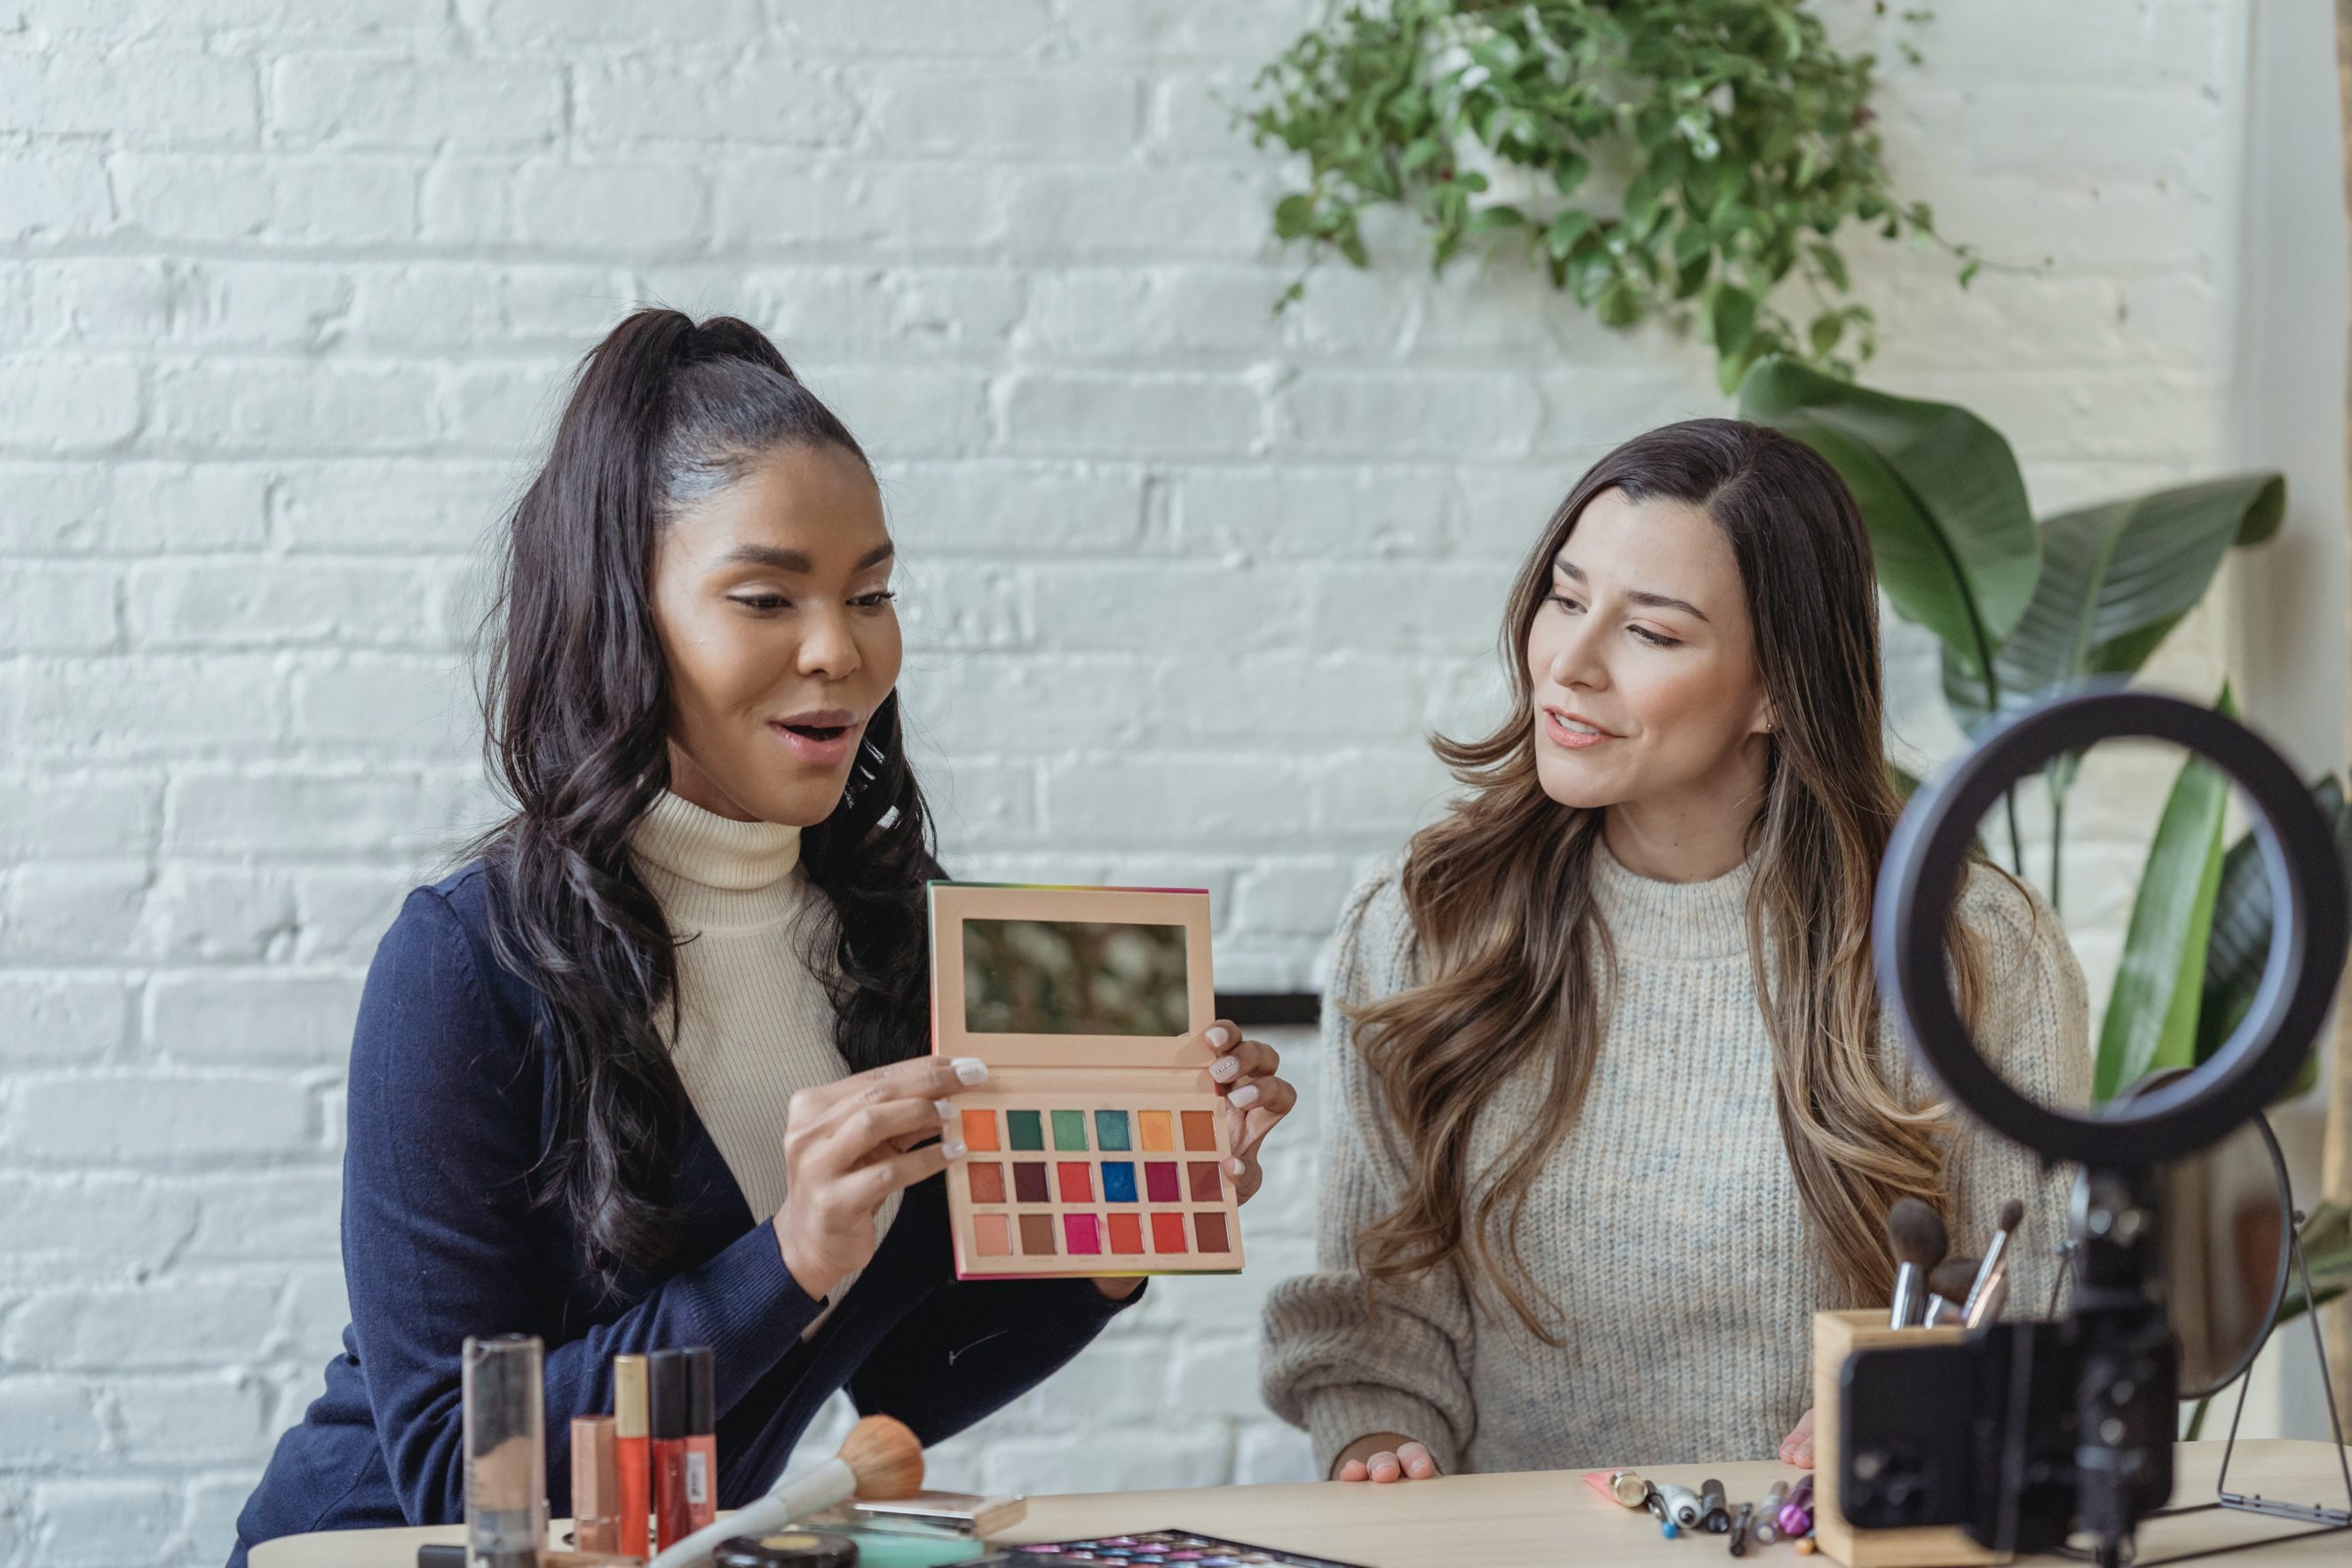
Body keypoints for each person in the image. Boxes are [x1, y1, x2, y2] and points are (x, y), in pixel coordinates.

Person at [231, 310, 1296, 1563]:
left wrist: (1131, 1219)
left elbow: (916, 1375)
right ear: (626, 612)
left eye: (871, 593)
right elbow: (454, 1459)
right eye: (764, 596)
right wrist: (786, 1254)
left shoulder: (899, 935)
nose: (839, 648)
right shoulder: (467, 963)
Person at [1260, 418, 2087, 1485]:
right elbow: (1385, 1316)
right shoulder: (1423, 921)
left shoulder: (1967, 944)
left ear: (1776, 688)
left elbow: (2033, 1311)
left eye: (1650, 632)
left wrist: (1921, 1406)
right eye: (1565, 597)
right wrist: (1378, 1442)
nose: (1570, 661)